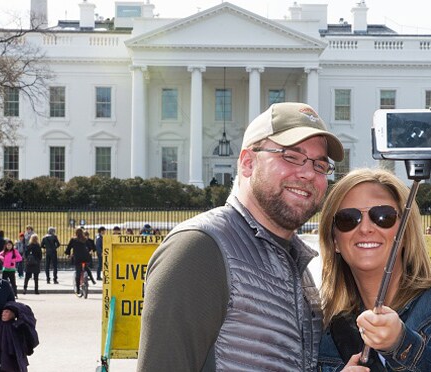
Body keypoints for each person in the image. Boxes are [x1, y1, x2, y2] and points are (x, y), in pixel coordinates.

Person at [137, 102, 344, 370]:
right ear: (247, 163)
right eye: (291, 156)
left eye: (319, 165)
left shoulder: (297, 265)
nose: (307, 173)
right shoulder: (200, 249)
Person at [317, 168, 431, 371]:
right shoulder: (324, 329)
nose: (365, 228)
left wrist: (401, 344)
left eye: (383, 216)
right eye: (348, 218)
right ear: (335, 241)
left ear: (406, 234)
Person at [65, 228, 96, 295]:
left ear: (76, 233)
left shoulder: (73, 240)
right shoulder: (85, 239)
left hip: (78, 258)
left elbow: (68, 248)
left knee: (78, 273)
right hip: (86, 257)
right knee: (86, 268)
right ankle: (92, 279)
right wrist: (89, 251)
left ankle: (78, 290)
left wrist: (68, 254)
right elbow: (91, 247)